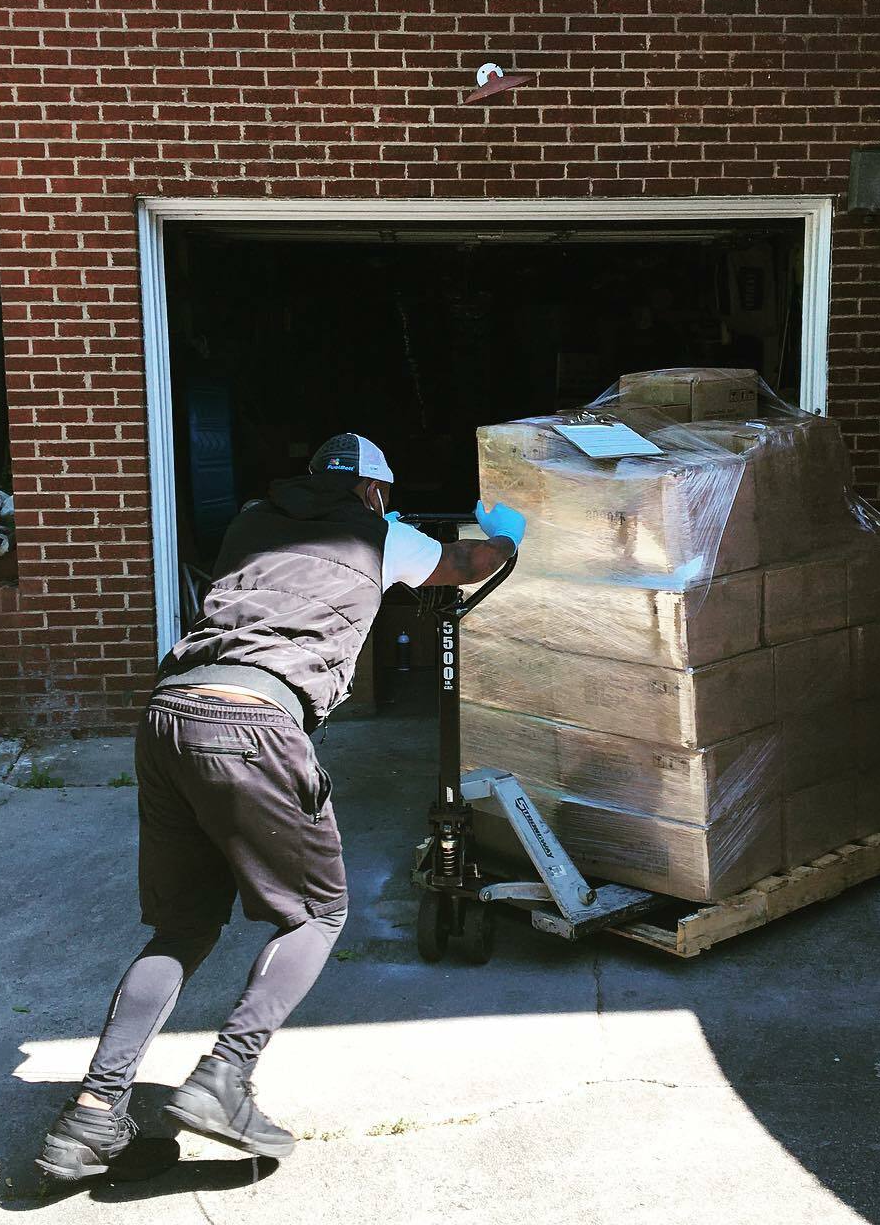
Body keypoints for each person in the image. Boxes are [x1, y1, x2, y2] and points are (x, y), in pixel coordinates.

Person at [36, 433, 525, 1181]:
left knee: (185, 923)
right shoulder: (379, 532)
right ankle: (224, 1079)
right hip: (253, 723)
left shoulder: (251, 521)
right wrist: (501, 537)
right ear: (373, 492)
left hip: (169, 714)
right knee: (317, 914)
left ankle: (91, 1119)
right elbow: (465, 569)